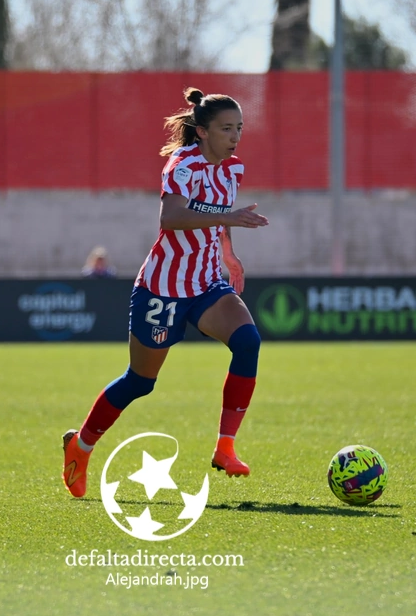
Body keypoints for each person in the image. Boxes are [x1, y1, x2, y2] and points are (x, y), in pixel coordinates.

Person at [61, 87, 270, 498]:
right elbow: (171, 217)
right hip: (163, 289)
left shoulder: (233, 168)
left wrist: (228, 254)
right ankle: (80, 446)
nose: (235, 136)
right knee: (140, 381)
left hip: (206, 282)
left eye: (239, 128)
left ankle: (225, 448)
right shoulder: (182, 165)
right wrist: (228, 216)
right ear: (203, 131)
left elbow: (219, 220)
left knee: (248, 342)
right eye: (226, 128)